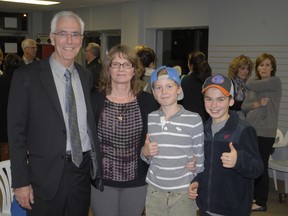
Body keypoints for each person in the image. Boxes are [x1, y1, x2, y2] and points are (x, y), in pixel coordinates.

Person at [8, 11, 99, 216]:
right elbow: (16, 134)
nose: (69, 40)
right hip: (44, 176)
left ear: (82, 40)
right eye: (63, 33)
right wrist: (21, 182)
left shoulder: (85, 76)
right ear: (52, 37)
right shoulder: (26, 77)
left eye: (75, 34)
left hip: (80, 172)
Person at [90, 44, 158, 216]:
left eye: (127, 64)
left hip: (137, 182)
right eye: (116, 64)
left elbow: (158, 138)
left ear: (135, 69)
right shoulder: (94, 100)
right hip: (102, 182)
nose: (121, 69)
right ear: (108, 69)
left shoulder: (147, 102)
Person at [188, 74, 263, 216]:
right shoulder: (202, 130)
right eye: (208, 99)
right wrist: (197, 181)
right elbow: (205, 167)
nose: (214, 105)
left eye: (220, 99)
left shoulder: (243, 130)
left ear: (231, 101)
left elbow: (257, 169)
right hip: (205, 208)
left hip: (233, 210)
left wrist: (239, 160)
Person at [141, 66, 204, 216]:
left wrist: (197, 180)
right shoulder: (149, 119)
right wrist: (145, 152)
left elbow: (200, 158)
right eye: (158, 88)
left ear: (178, 89)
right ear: (154, 93)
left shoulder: (194, 119)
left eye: (169, 86)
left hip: (183, 192)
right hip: (154, 191)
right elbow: (145, 157)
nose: (164, 92)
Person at [241, 53, 282, 212]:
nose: (263, 68)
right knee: (251, 165)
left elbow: (250, 85)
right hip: (250, 130)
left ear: (272, 68)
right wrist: (257, 104)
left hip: (265, 132)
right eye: (260, 65)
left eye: (267, 65)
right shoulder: (256, 84)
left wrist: (250, 84)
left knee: (261, 166)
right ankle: (252, 196)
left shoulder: (274, 82)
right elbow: (244, 107)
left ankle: (261, 201)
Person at [0, 53, 24, 160]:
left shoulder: (1, 80)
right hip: (23, 127)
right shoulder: (25, 81)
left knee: (5, 157)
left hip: (4, 128)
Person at [181, 51, 211, 122]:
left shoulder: (185, 80)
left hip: (188, 120)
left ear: (191, 65)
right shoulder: (208, 80)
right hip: (205, 120)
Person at [228, 54, 253, 120]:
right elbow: (230, 105)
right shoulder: (230, 84)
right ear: (236, 69)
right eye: (243, 68)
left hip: (249, 121)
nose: (246, 71)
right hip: (235, 121)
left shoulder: (250, 84)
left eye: (248, 68)